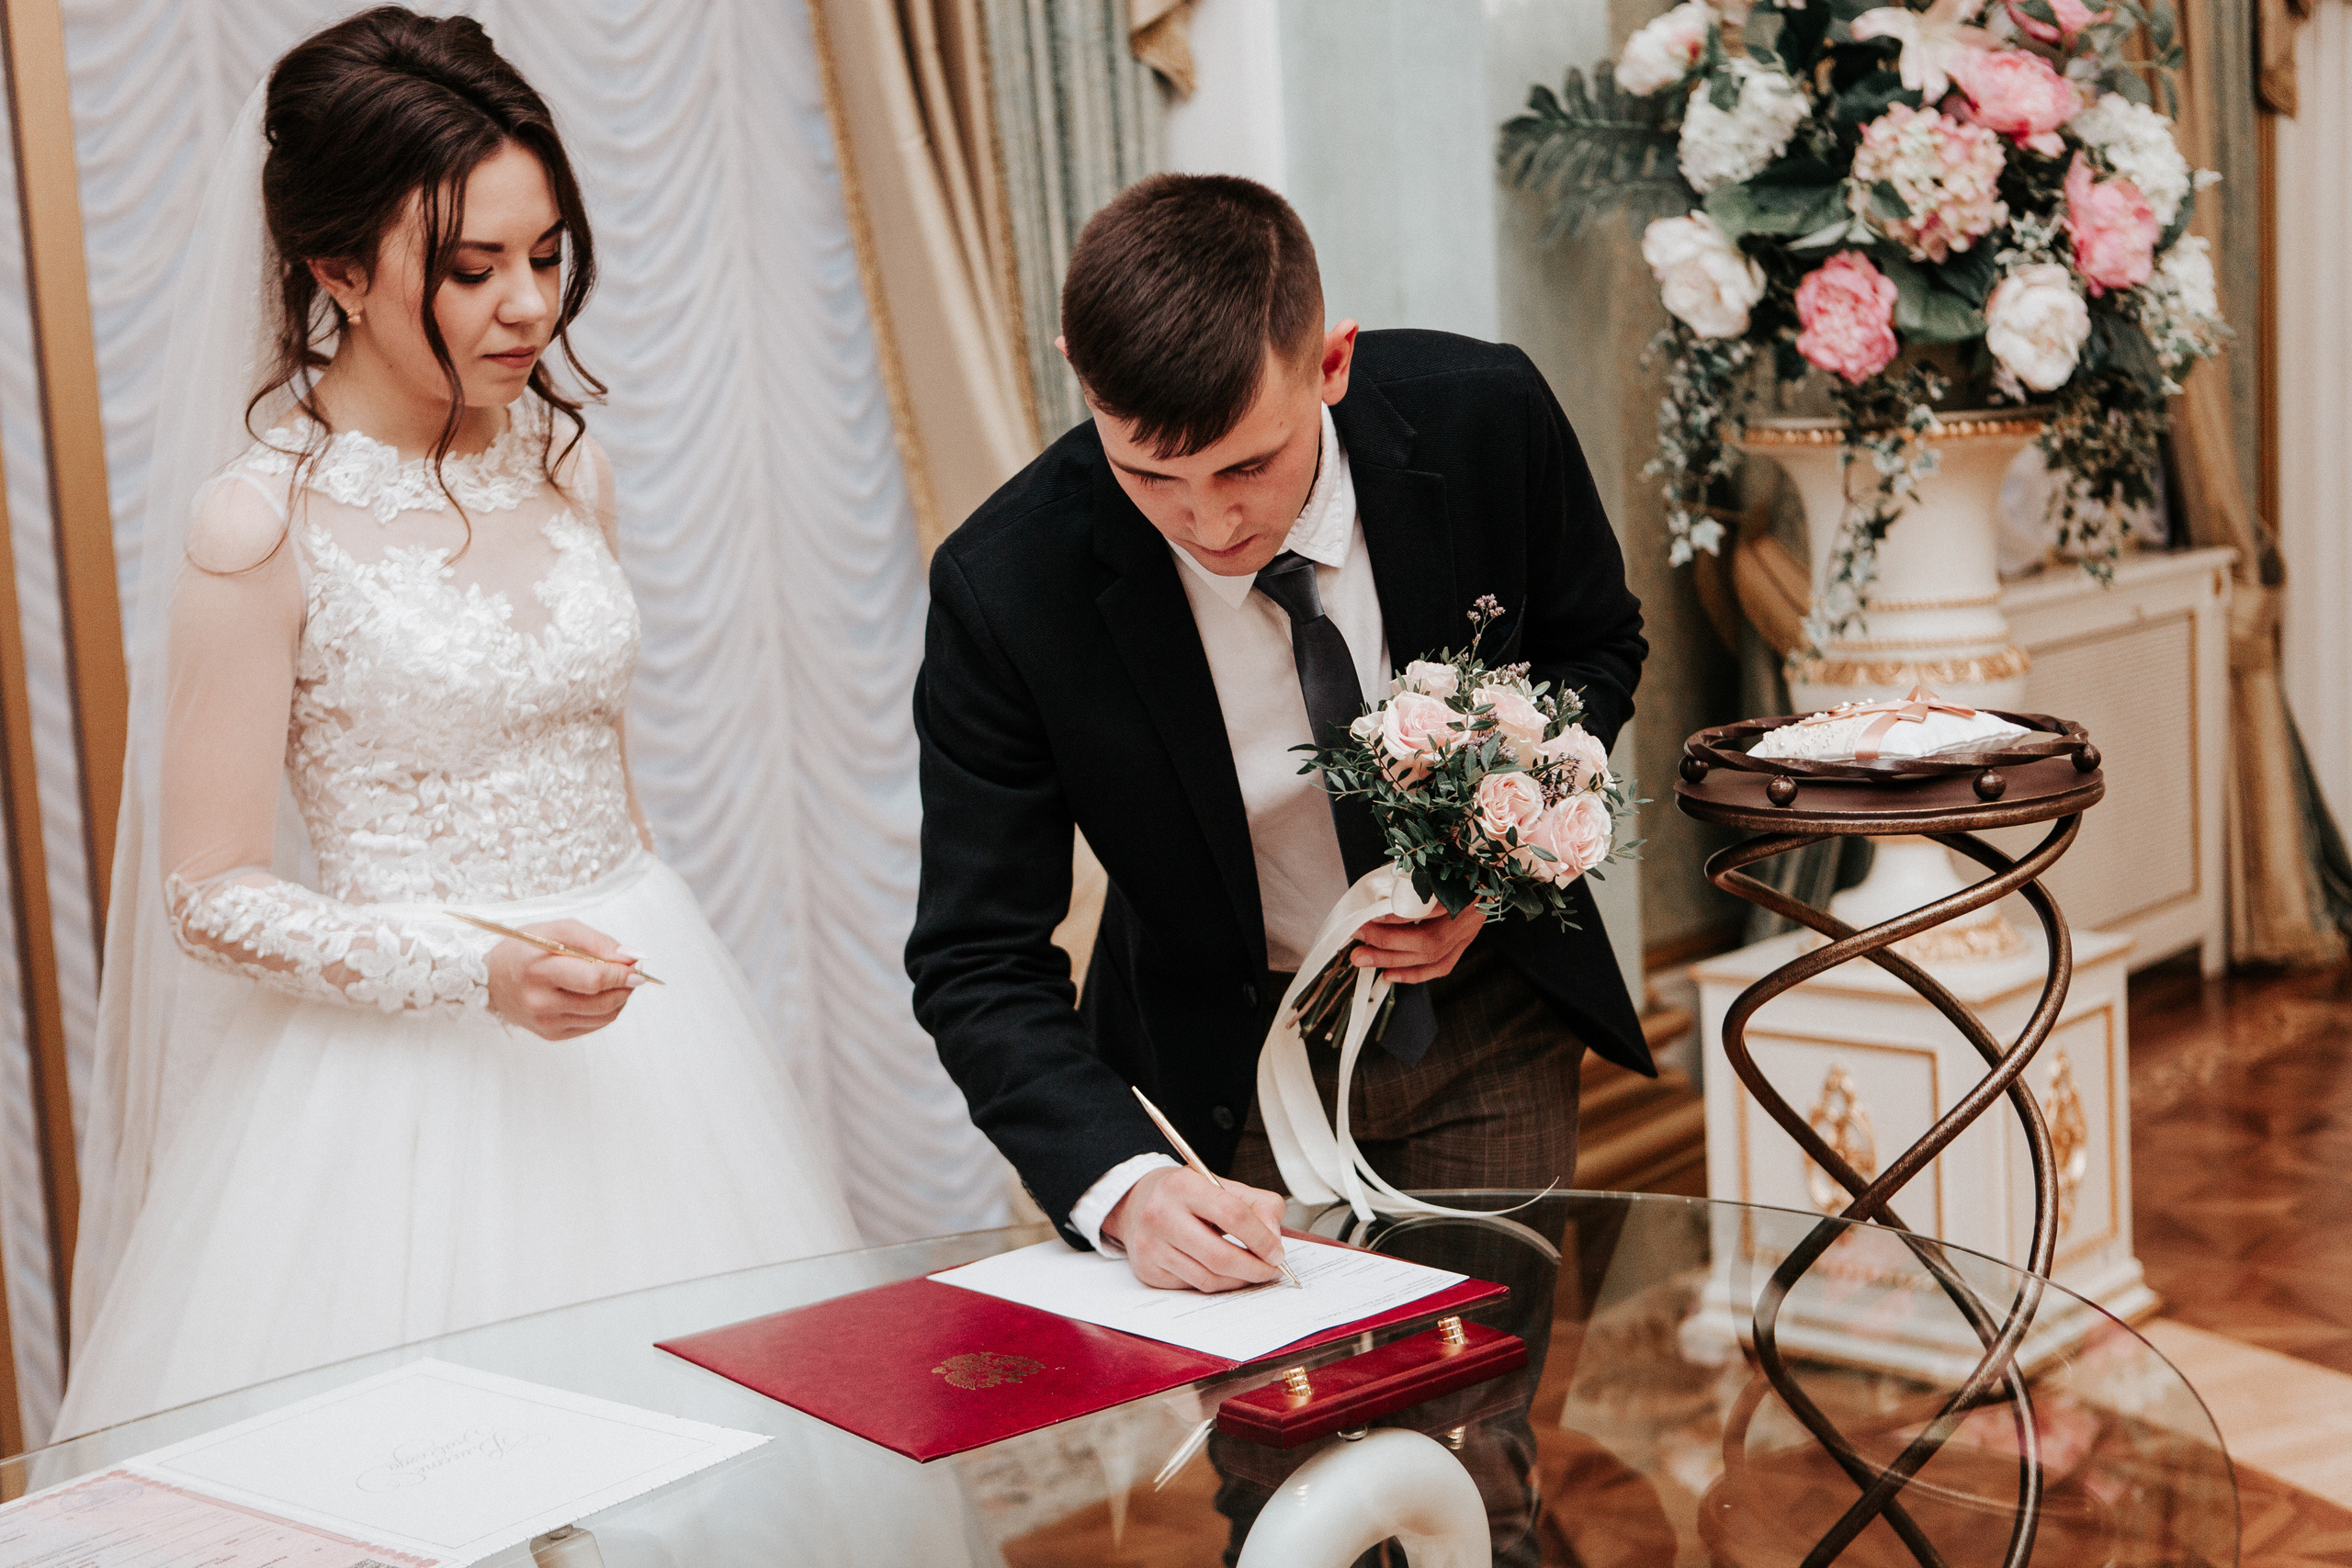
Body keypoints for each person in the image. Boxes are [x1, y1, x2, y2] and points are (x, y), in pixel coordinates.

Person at [57, 7, 852, 1438]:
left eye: (547, 255)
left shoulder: (566, 461)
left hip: (644, 1039)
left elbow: (601, 768)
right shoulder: (259, 522)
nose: (529, 307)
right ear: (339, 271)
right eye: (473, 270)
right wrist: (471, 965)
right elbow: (208, 894)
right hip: (400, 1091)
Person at [906, 174, 1652, 1295]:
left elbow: (1594, 646)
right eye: (1149, 475)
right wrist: (1127, 1187)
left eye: (1247, 465)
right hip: (1214, 1075)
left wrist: (1491, 866)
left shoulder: (1485, 416)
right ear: (1077, 373)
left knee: (1479, 1394)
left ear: (1332, 363)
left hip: (1488, 1025)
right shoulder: (1006, 586)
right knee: (1258, 1408)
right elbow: (976, 957)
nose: (1209, 523)